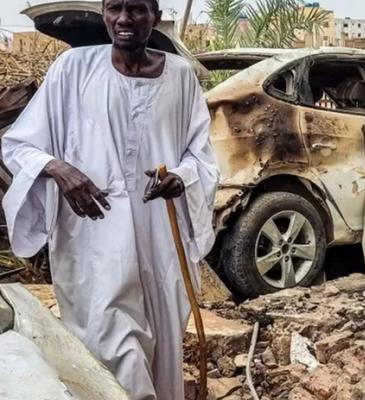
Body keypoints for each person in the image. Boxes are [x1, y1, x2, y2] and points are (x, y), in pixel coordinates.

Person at [1, 0, 218, 398]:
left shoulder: (181, 77)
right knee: (115, 348)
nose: (123, 19)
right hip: (92, 237)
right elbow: (19, 145)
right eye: (114, 8)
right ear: (103, 14)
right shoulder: (73, 69)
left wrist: (181, 178)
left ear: (155, 17)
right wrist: (58, 169)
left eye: (136, 9)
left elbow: (200, 155)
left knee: (162, 344)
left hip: (160, 238)